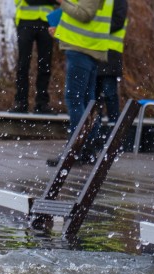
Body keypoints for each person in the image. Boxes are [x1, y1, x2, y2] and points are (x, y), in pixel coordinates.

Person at [46, 0, 112, 166]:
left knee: (75, 99)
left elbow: (84, 14)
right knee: (87, 102)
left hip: (81, 49)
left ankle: (74, 151)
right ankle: (87, 149)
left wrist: (62, 2)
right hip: (86, 47)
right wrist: (61, 32)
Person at [10, 0, 60, 114]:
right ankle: (21, 102)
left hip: (46, 21)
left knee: (45, 64)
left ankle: (42, 103)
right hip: (26, 20)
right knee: (23, 64)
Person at [94, 0, 128, 124]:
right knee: (94, 94)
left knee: (109, 93)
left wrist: (96, 29)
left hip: (110, 52)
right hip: (95, 49)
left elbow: (118, 21)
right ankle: (95, 126)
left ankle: (114, 126)